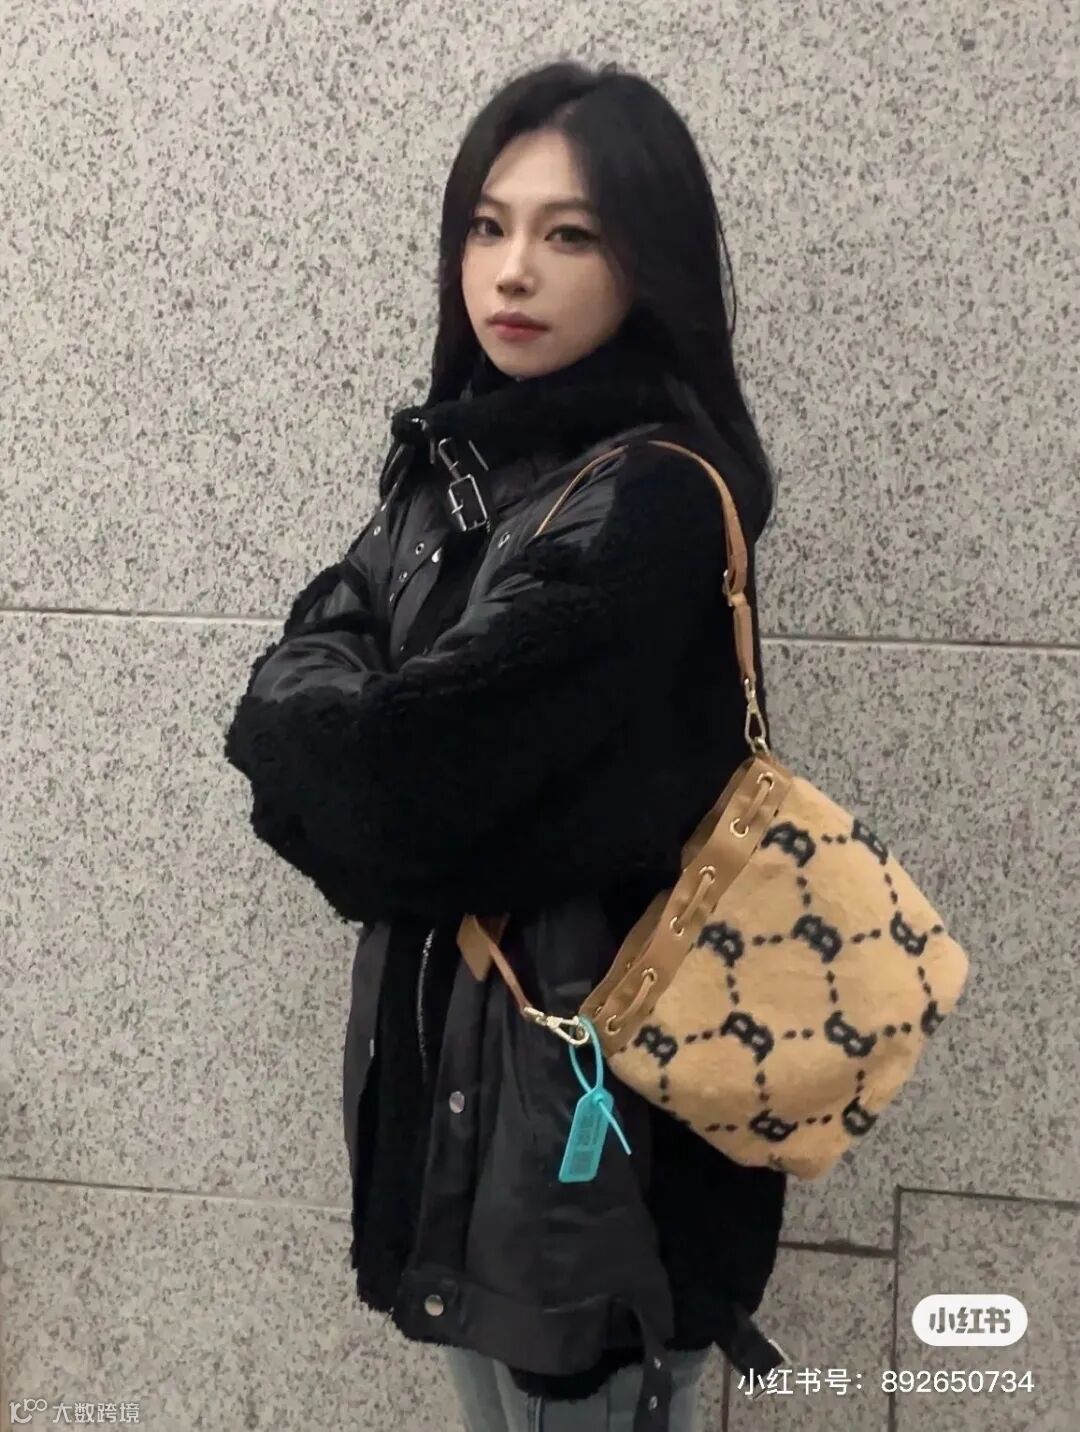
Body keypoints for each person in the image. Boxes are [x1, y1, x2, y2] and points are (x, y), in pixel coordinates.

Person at [224, 59, 786, 1432]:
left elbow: (390, 794)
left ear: (648, 264)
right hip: (465, 1122)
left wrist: (342, 727)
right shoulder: (452, 476)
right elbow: (301, 682)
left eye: (568, 233)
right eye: (487, 225)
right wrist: (338, 725)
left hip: (590, 1166)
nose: (512, 269)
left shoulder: (647, 505)